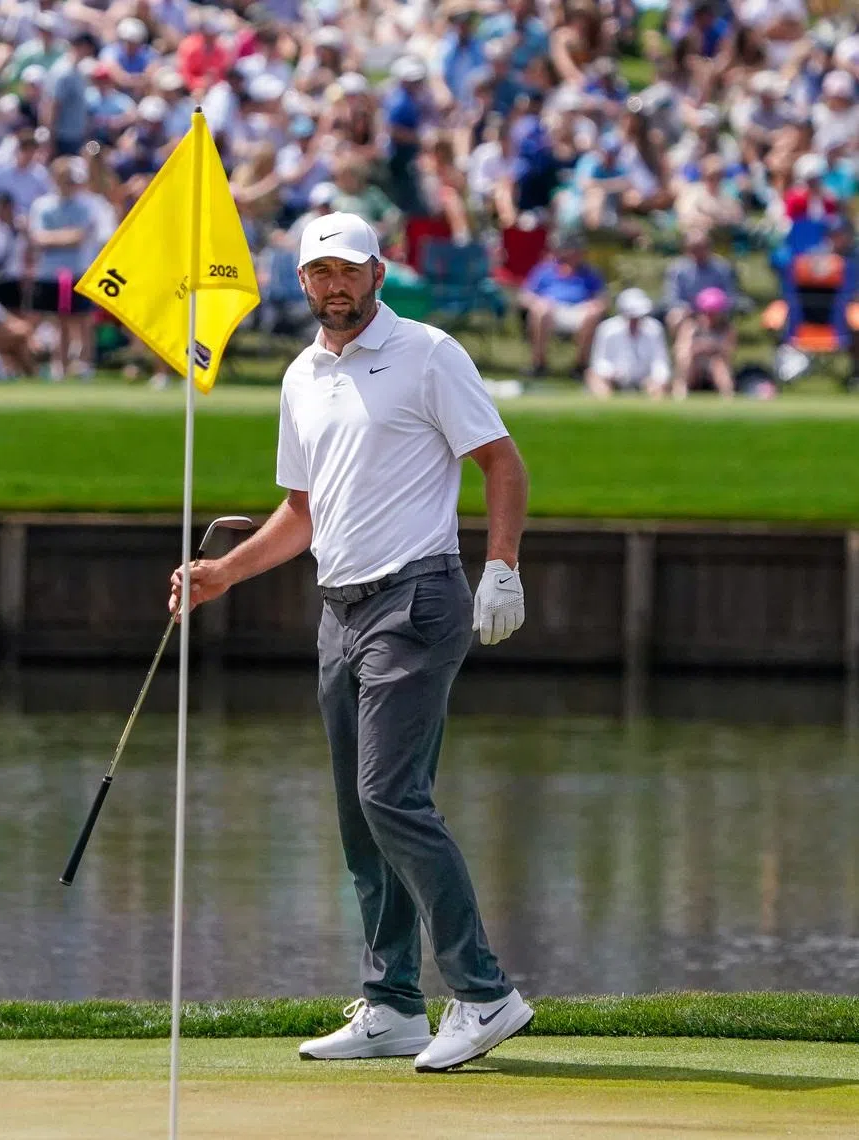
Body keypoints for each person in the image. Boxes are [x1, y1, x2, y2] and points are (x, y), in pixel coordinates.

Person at [168, 211, 534, 1072]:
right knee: (357, 815)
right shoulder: (301, 375)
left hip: (418, 599)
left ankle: (482, 993)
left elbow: (502, 463)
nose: (336, 285)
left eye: (351, 270)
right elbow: (302, 512)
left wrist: (504, 566)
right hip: (339, 611)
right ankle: (393, 1002)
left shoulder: (430, 354)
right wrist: (225, 574)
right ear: (303, 282)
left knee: (390, 797)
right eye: (321, 272)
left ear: (378, 273)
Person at [28, 154, 93, 378]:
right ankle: (59, 366)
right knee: (56, 321)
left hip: (76, 271)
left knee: (82, 320)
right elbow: (39, 238)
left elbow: (80, 236)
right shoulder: (43, 205)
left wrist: (57, 238)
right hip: (50, 273)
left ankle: (83, 365)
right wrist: (66, 237)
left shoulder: (84, 205)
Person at [519, 231, 607, 377]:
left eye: (577, 249)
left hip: (579, 311)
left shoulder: (590, 273)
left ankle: (580, 366)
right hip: (551, 311)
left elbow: (602, 299)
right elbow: (525, 296)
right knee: (541, 311)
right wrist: (539, 302)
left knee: (593, 313)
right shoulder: (545, 270)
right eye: (571, 249)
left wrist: (595, 305)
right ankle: (539, 364)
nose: (574, 253)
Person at [585, 288, 671, 399]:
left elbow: (660, 362)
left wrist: (657, 378)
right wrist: (611, 372)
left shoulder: (654, 329)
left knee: (659, 386)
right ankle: (607, 406)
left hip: (645, 380)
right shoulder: (607, 329)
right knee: (595, 377)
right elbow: (599, 361)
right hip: (613, 379)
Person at [673, 284, 736, 399]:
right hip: (694, 367)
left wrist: (711, 347)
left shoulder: (726, 328)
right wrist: (699, 348)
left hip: (713, 366)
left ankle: (727, 395)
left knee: (719, 364)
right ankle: (680, 392)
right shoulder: (691, 326)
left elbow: (729, 352)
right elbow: (681, 350)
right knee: (687, 358)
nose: (710, 316)